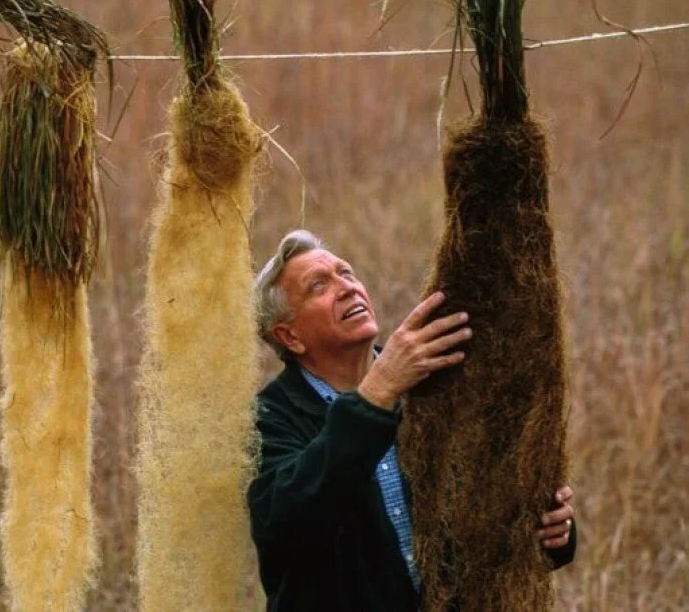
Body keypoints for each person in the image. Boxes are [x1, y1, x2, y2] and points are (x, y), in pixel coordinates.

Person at [247, 230, 577, 611]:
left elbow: (490, 507)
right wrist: (376, 396)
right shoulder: (268, 418)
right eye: (318, 286)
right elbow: (286, 524)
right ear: (290, 336)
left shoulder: (433, 385)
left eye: (347, 273)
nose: (346, 288)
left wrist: (552, 530)